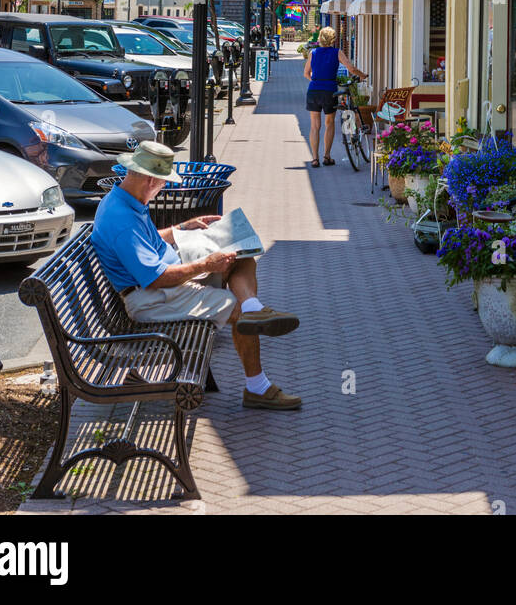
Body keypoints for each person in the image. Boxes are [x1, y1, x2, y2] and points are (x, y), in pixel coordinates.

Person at [91, 140, 302, 411]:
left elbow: (148, 243)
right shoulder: (121, 219)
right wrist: (205, 266)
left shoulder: (125, 199)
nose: (165, 186)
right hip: (151, 298)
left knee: (240, 254)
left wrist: (181, 227)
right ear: (148, 180)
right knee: (236, 310)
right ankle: (258, 387)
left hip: (162, 283)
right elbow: (155, 279)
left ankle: (255, 309)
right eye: (163, 181)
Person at [303, 26, 366, 168]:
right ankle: (326, 156)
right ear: (333, 39)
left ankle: (314, 159)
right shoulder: (337, 52)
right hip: (329, 91)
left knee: (314, 126)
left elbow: (306, 73)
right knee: (329, 123)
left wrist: (316, 81)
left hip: (313, 91)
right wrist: (362, 75)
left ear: (319, 38)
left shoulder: (313, 53)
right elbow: (351, 68)